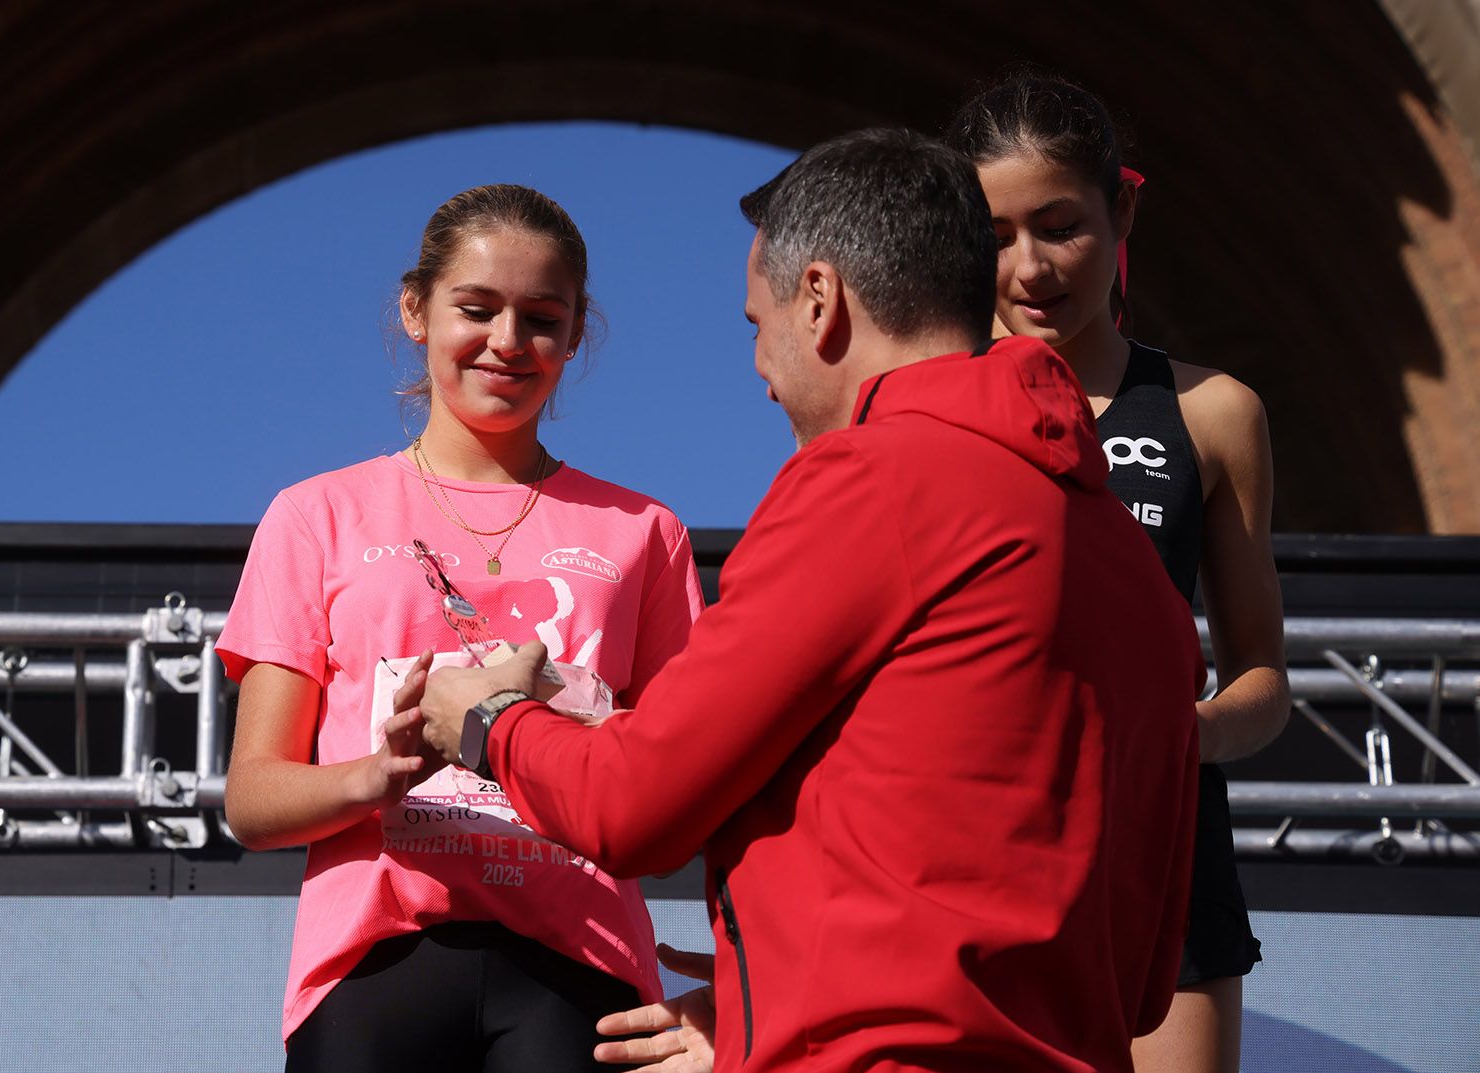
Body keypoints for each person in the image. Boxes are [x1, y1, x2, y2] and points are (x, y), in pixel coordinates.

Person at [413, 129, 1205, 1073]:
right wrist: (785, 987)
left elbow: (631, 803)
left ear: (821, 301)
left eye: (758, 323)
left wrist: (490, 719)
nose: (761, 371)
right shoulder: (1131, 563)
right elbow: (1144, 976)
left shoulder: (872, 480)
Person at [217, 183, 705, 1071]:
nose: (508, 342)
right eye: (476, 309)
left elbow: (682, 784)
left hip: (581, 964)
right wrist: (378, 774)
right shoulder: (315, 515)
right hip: (373, 962)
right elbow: (252, 799)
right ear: (416, 310)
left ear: (577, 333)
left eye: (542, 318)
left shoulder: (645, 531)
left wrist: (582, 734)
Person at [945, 74, 1291, 1073]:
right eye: (996, 235)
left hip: (1161, 850)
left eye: (1061, 227)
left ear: (1123, 212)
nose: (1031, 267)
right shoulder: (914, 405)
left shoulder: (1213, 412)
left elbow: (1264, 674)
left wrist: (1189, 735)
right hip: (973, 853)